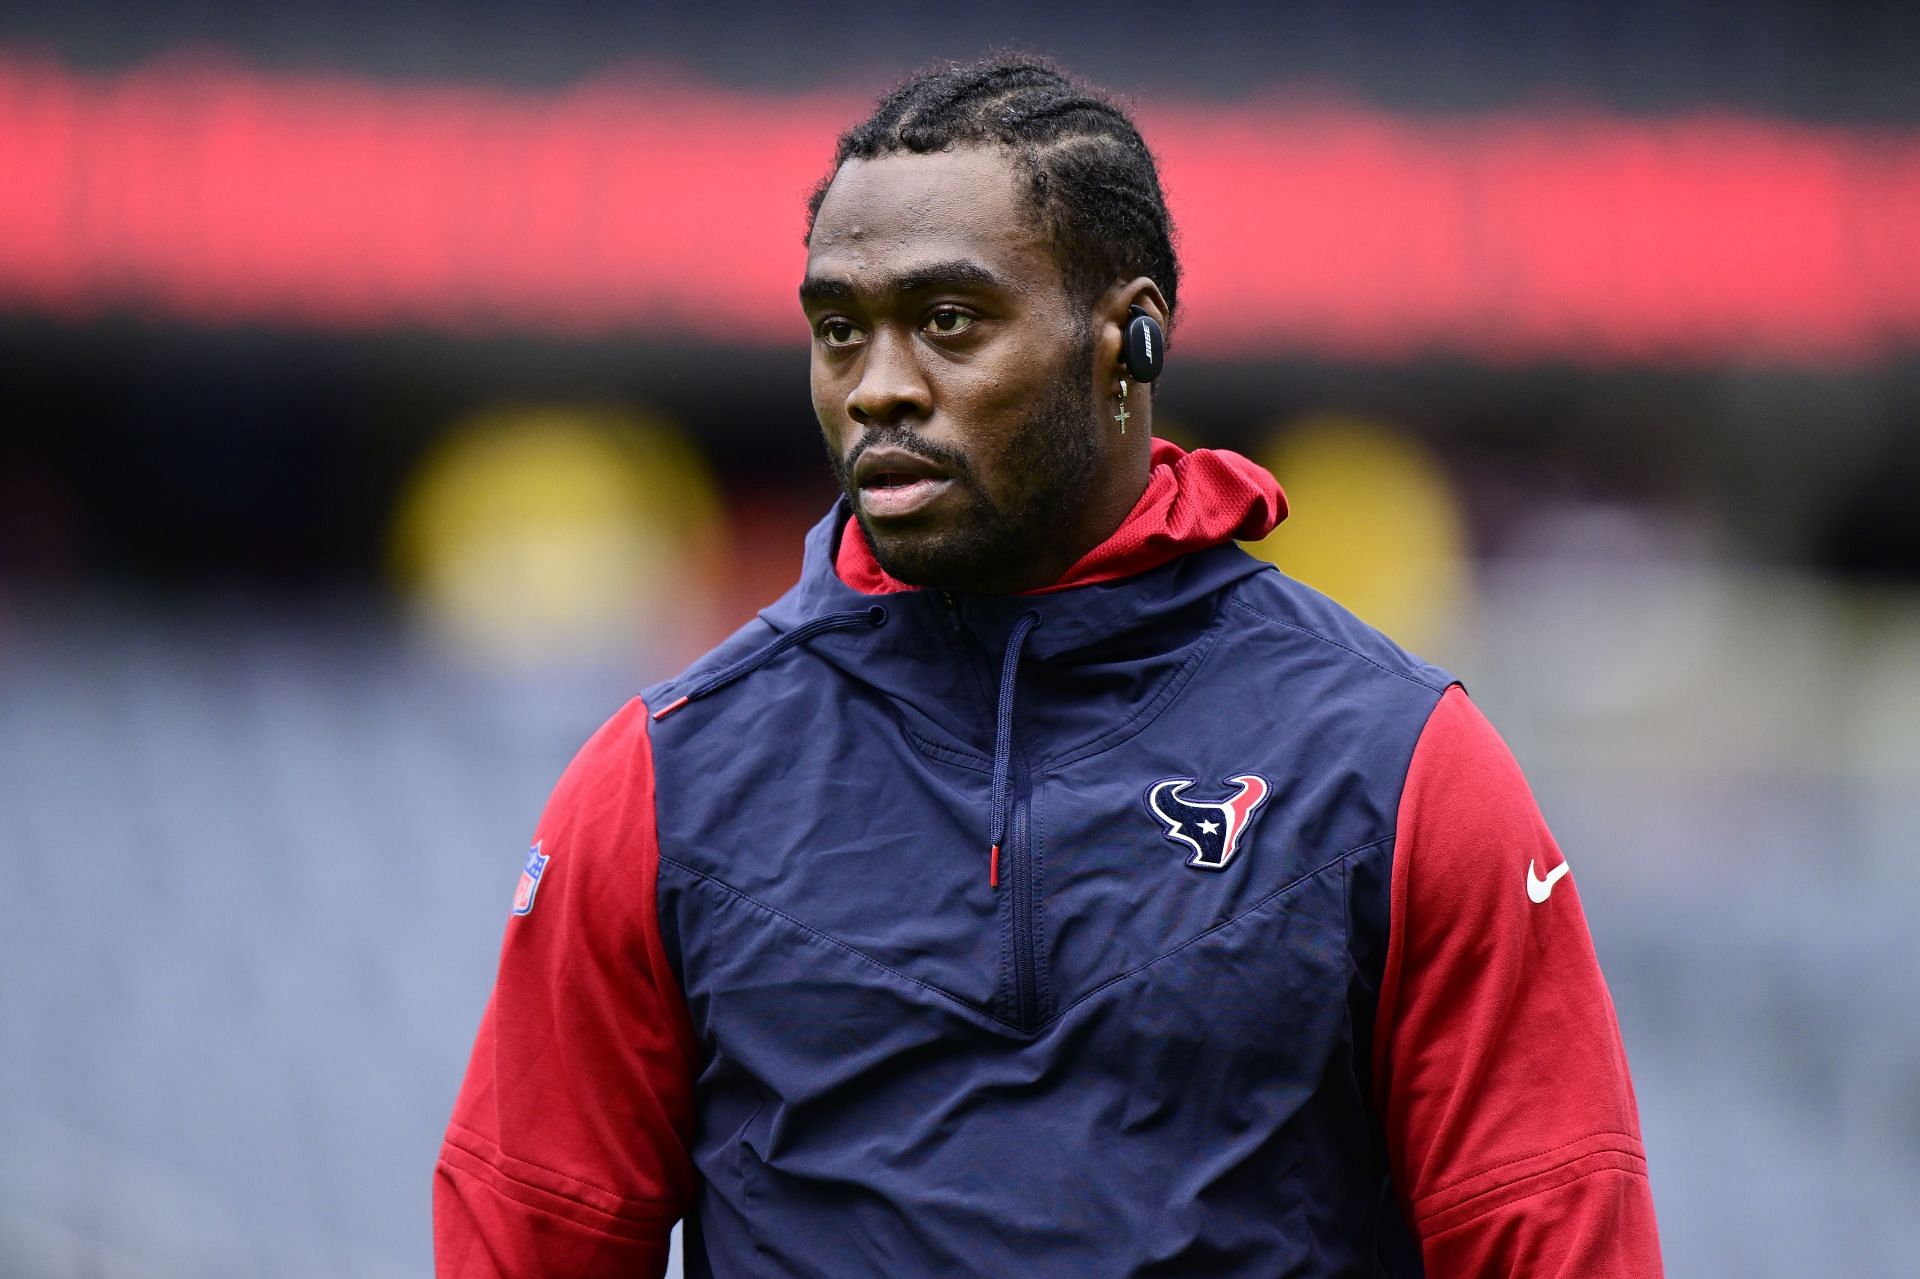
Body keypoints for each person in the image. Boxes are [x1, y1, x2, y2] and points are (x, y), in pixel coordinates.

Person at [434, 54, 1662, 1277]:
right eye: (839, 330)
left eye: (949, 322)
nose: (880, 388)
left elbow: (1557, 1244)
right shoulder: (661, 784)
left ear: (1128, 339)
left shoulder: (1398, 769)